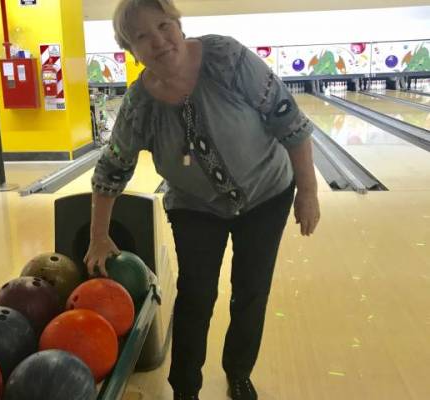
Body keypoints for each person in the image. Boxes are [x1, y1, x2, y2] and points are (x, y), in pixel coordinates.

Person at [84, 1, 320, 399]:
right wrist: (97, 236)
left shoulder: (227, 58)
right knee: (197, 295)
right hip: (195, 207)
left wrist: (308, 191)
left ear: (178, 24)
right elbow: (111, 170)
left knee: (251, 289)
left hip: (267, 194)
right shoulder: (139, 106)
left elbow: (288, 118)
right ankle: (186, 389)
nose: (159, 40)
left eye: (164, 25)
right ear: (131, 49)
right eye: (143, 35)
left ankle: (239, 372)